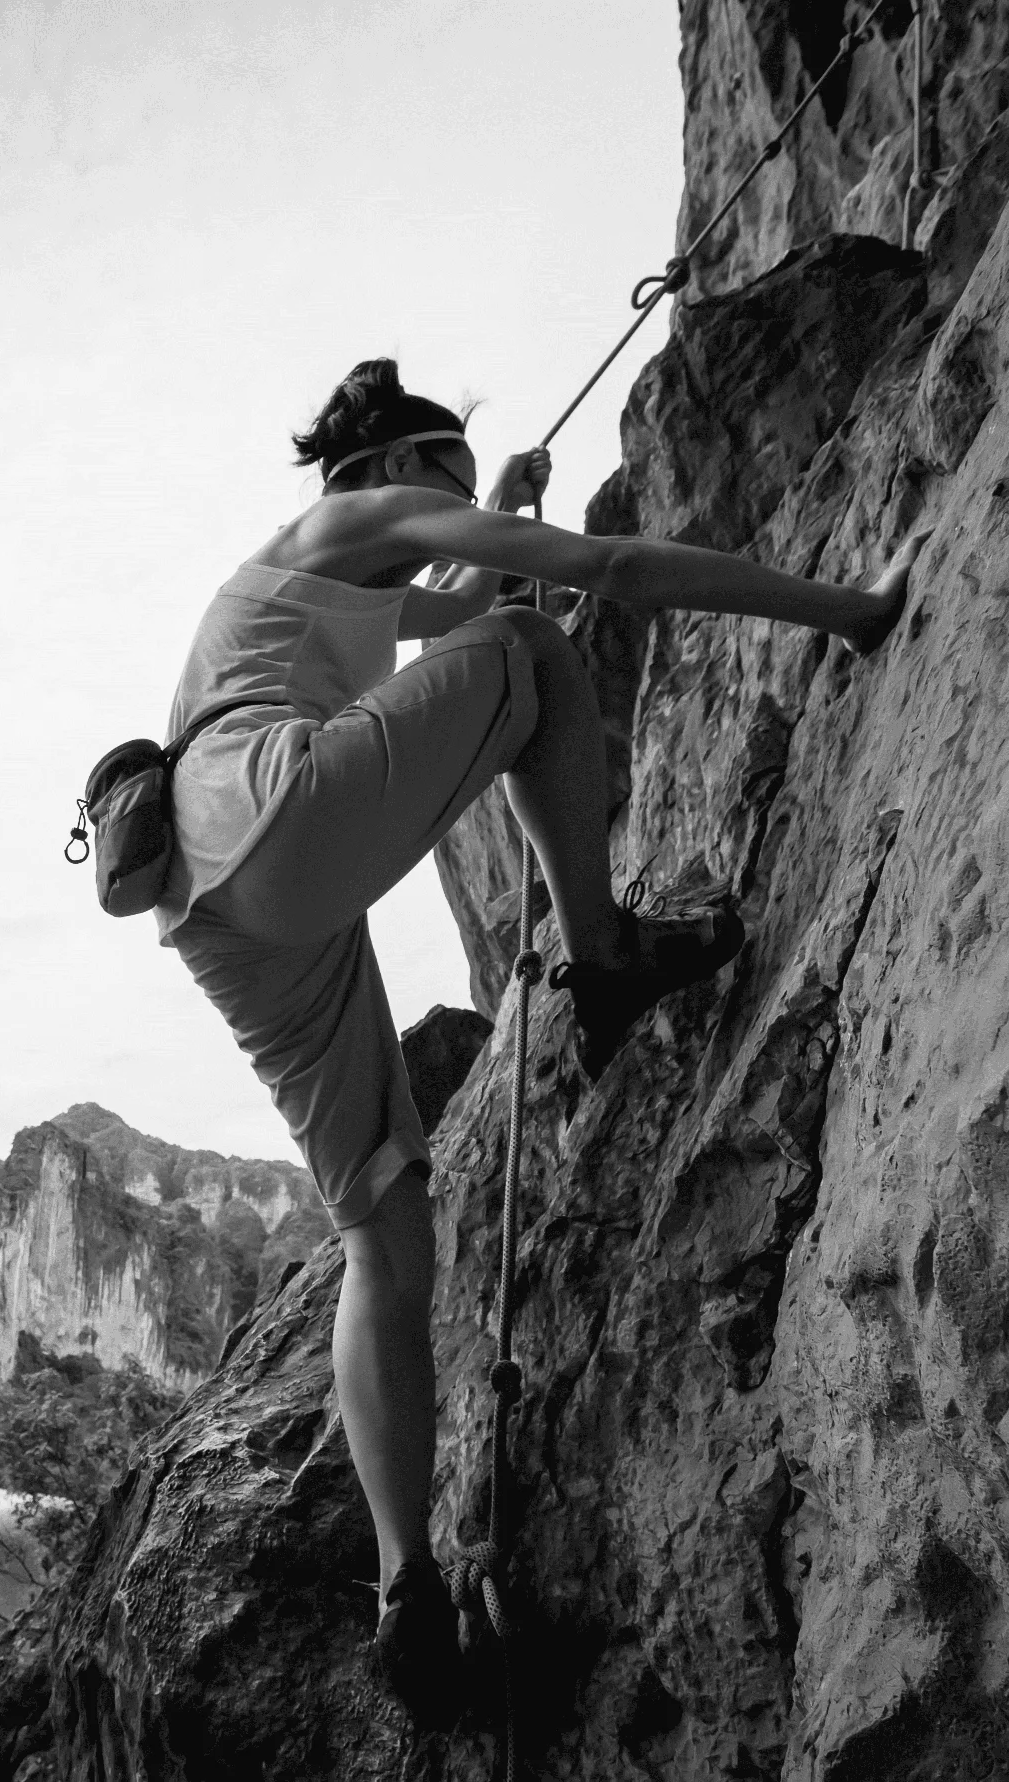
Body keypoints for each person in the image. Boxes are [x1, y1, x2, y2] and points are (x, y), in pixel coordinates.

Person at [153, 358, 929, 1724]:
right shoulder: (338, 521)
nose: (452, 509)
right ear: (389, 472)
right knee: (533, 654)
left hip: (221, 900)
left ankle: (409, 1594)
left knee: (383, 1225)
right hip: (275, 808)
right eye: (445, 487)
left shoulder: (296, 578)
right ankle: (606, 951)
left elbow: (440, 611)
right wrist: (851, 610)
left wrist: (501, 508)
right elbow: (599, 570)